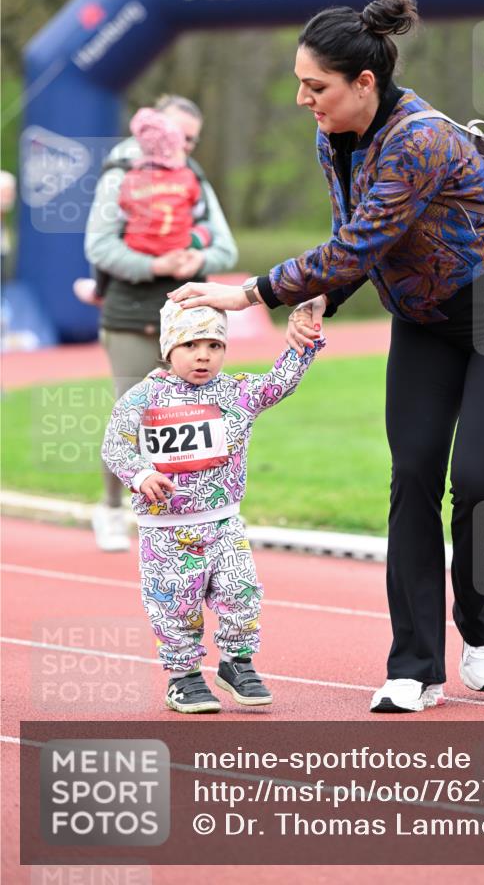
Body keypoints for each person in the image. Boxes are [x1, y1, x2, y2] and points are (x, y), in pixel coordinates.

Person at [169, 0, 484, 715]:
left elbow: (358, 242)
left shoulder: (421, 141)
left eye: (315, 86)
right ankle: (412, 666)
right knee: (411, 475)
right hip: (421, 319)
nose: (301, 98)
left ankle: (480, 625)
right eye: (299, 82)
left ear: (364, 84)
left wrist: (248, 293)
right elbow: (352, 237)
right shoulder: (332, 139)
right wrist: (325, 298)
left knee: (474, 479)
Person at [101, 299, 325, 713]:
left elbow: (280, 382)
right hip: (166, 531)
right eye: (190, 345)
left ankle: (237, 664)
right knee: (175, 604)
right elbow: (115, 447)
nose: (203, 355)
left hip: (224, 524)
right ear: (169, 349)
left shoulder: (236, 392)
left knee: (242, 594)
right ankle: (183, 677)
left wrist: (304, 342)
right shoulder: (143, 398)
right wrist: (140, 475)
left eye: (214, 345)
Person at [84, 94, 238, 553]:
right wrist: (155, 266)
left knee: (192, 418)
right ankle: (112, 509)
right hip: (132, 317)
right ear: (150, 129)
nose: (182, 145)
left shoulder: (194, 178)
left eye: (192, 139)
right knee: (131, 419)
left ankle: (189, 515)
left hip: (189, 322)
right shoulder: (121, 175)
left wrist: (196, 257)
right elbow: (99, 247)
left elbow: (225, 249)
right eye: (176, 135)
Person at [75, 107, 211, 306]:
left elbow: (120, 216)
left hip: (139, 248)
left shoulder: (130, 178)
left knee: (111, 246)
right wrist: (194, 242)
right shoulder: (190, 177)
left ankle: (98, 290)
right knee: (203, 229)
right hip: (181, 248)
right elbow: (200, 212)